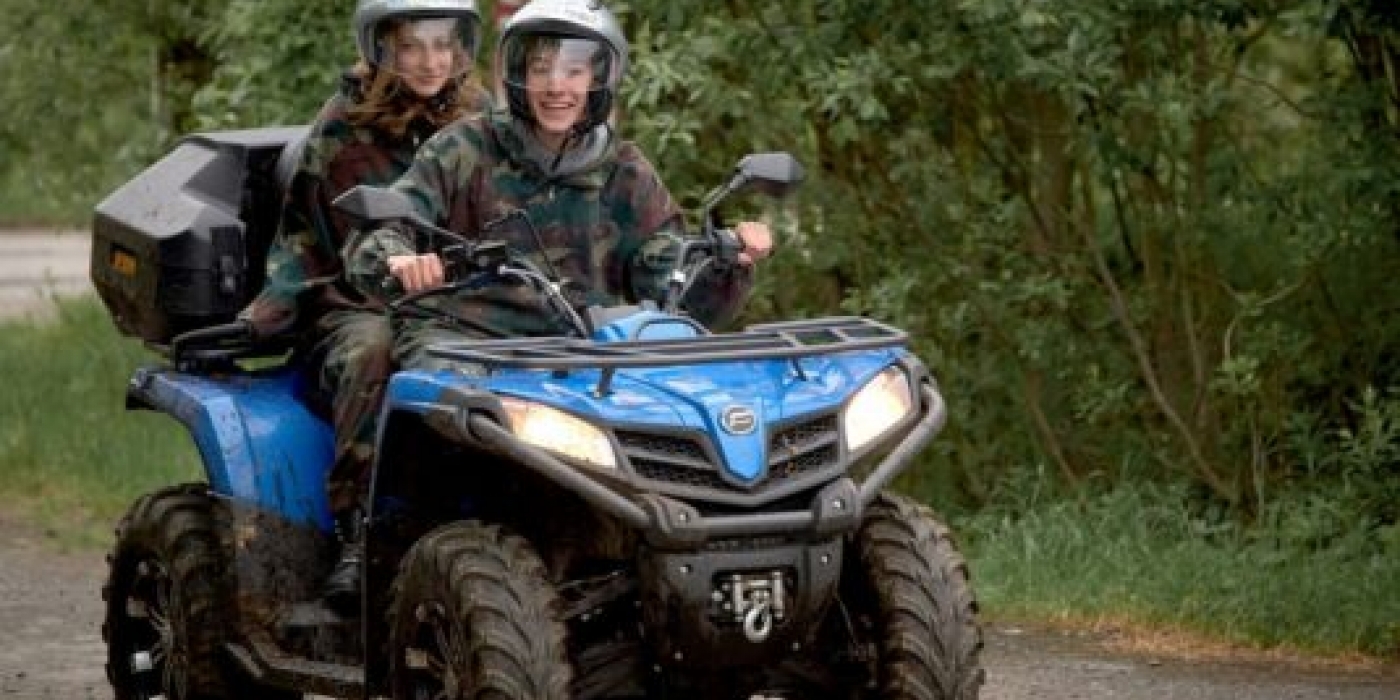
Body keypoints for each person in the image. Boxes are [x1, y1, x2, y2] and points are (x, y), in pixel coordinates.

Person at [343, 0, 773, 379]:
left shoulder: (626, 171)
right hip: (465, 342)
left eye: (574, 71)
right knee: (453, 402)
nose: (555, 86)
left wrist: (726, 264)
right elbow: (386, 226)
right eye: (540, 69)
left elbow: (673, 289)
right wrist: (398, 259)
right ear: (518, 74)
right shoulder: (463, 148)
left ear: (598, 78)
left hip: (585, 353)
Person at [236, 0, 492, 612]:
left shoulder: (481, 117)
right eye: (412, 46)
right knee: (375, 350)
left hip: (461, 295)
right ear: (381, 48)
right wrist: (273, 308)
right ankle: (360, 533)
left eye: (443, 45)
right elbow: (315, 237)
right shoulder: (343, 124)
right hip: (353, 294)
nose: (431, 61)